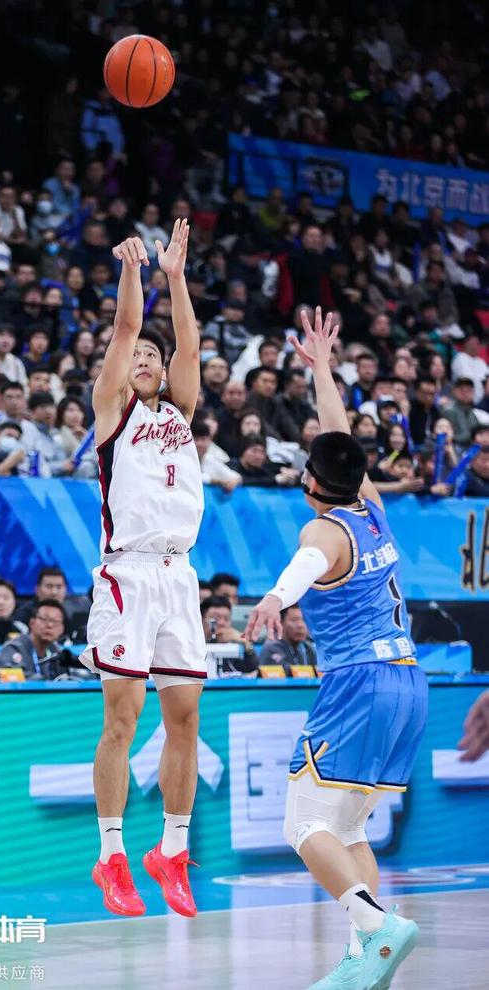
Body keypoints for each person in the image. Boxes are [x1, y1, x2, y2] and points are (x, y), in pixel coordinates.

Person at [245, 308, 428, 990]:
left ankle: (377, 926)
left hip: (359, 681)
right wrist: (323, 368)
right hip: (408, 679)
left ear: (309, 482)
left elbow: (306, 564)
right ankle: (366, 957)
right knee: (348, 830)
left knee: (302, 825)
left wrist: (275, 597)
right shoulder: (370, 505)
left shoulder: (322, 530)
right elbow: (340, 436)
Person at [79, 222, 206, 920]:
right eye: (138, 356)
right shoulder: (113, 412)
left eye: (153, 356)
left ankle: (172, 851)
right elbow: (127, 327)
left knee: (184, 718)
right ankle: (111, 855)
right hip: (127, 575)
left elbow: (189, 343)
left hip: (179, 576)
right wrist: (135, 271)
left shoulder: (180, 413)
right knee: (122, 718)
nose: (147, 358)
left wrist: (177, 278)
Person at [0, 598, 74, 678]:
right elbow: (10, 674)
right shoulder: (14, 648)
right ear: (32, 622)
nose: (49, 625)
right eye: (44, 619)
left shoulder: (56, 651)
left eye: (55, 621)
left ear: (62, 628)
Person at [259, 604, 318, 671]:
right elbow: (287, 673)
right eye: (294, 620)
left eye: (304, 620)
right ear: (281, 622)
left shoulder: (308, 648)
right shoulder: (272, 647)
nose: (300, 625)